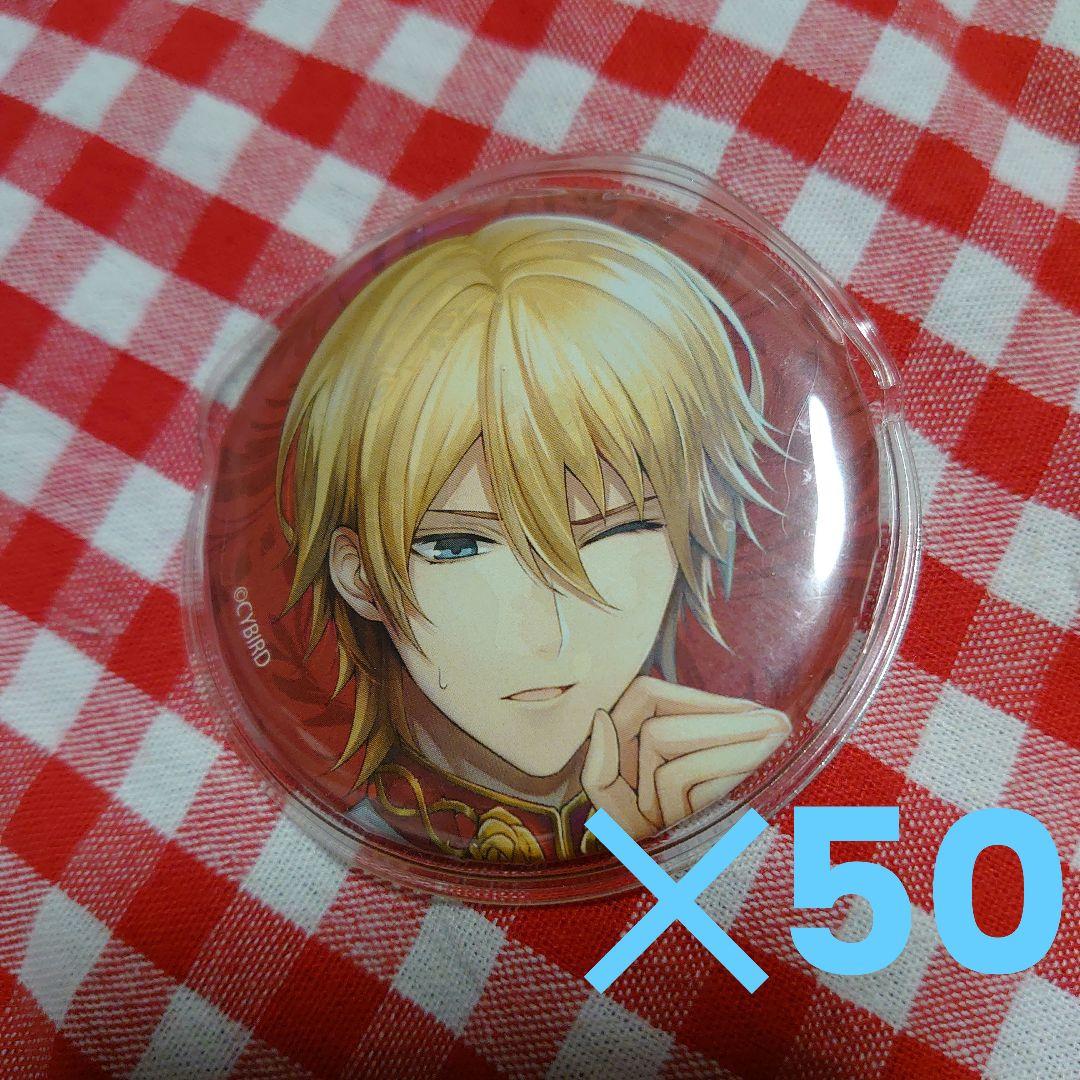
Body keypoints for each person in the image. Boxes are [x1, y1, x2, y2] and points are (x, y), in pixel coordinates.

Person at [275, 214, 791, 863]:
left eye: (619, 529)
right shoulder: (343, 839)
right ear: (359, 577)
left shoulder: (712, 772)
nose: (548, 635)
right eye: (458, 547)